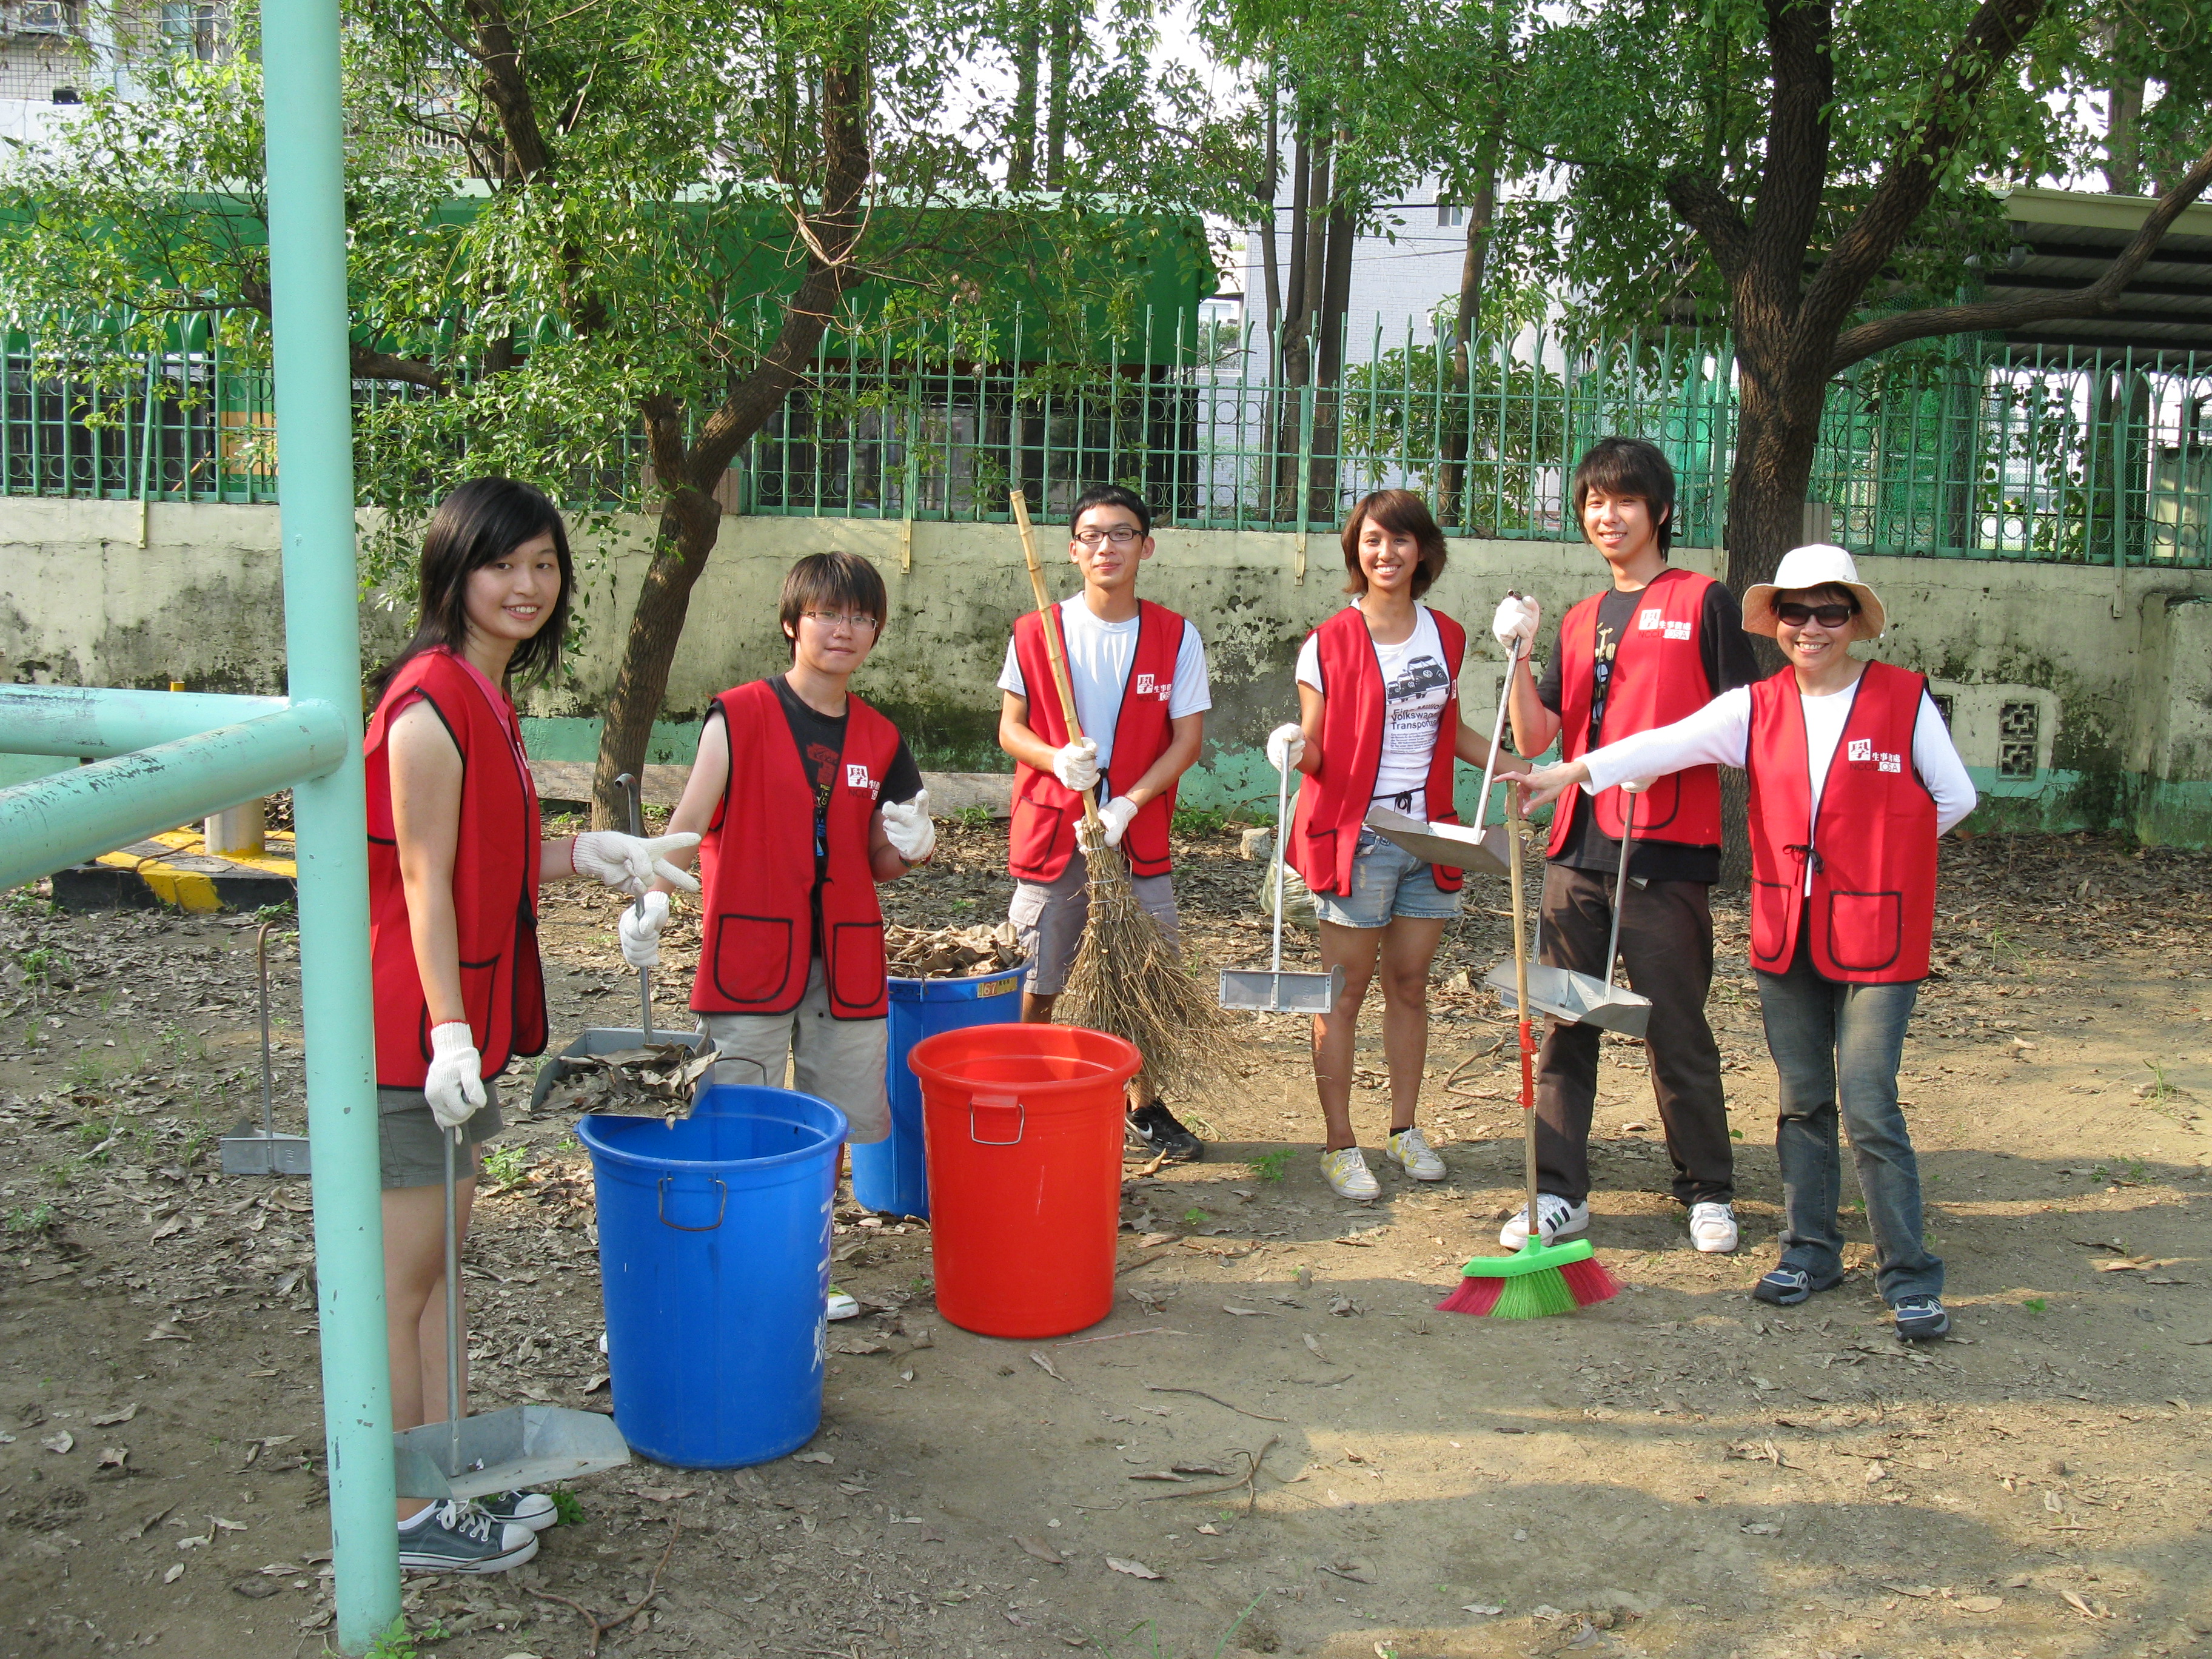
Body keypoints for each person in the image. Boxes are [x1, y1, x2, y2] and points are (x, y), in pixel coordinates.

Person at [366, 478, 702, 1572]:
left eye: (543, 564)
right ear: (453, 572)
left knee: (444, 1266)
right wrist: (449, 1035)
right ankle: (405, 1519)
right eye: (501, 563)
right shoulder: (426, 702)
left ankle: (444, 1471)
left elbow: (487, 861)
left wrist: (588, 855)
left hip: (443, 1034)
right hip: (409, 1038)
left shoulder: (487, 696)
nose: (525, 584)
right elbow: (423, 883)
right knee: (401, 1281)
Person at [1520, 545, 1974, 1341]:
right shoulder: (1758, 705)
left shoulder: (1902, 700)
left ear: (1854, 621)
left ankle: (1907, 1271)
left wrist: (1879, 861)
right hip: (1787, 931)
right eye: (1795, 612)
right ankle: (1810, 1249)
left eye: (1830, 611)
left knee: (1868, 1101)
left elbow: (1953, 797)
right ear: (1777, 624)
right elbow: (1664, 745)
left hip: (1877, 935)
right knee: (1802, 1102)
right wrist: (1571, 774)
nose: (1811, 626)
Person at [626, 551, 935, 1314]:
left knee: (828, 1124)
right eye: (830, 614)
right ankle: (731, 1271)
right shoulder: (740, 715)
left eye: (863, 617)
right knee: (739, 1111)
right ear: (793, 623)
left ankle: (803, 1270)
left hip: (846, 961)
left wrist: (913, 845)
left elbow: (879, 861)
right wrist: (653, 901)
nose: (846, 630)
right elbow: (688, 826)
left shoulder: (881, 737)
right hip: (753, 954)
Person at [1496, 437, 1761, 1255]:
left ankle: (1707, 1189)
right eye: (1594, 503)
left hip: (1666, 848)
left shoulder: (1703, 600)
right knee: (1563, 1021)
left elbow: (1747, 723)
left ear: (1660, 510)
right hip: (1578, 851)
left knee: (1673, 1023)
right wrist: (1518, 656)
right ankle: (1560, 1194)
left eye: (1624, 501)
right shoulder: (1579, 620)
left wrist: (1659, 759)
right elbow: (1539, 735)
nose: (1606, 516)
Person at [1272, 488, 1520, 1201]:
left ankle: (1405, 1129)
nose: (1387, 553)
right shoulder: (1329, 641)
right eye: (1374, 540)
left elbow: (1454, 731)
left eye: (1401, 541)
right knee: (1343, 993)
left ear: (1423, 552)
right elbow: (1315, 745)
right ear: (1357, 549)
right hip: (1358, 837)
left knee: (1410, 985)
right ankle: (1339, 1143)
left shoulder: (1445, 634)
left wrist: (1516, 769)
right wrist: (1293, 748)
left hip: (1430, 835)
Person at [997, 483, 1212, 1161]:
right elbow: (1010, 729)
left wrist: (1127, 803)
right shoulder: (1037, 631)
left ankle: (1143, 1106)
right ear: (1072, 550)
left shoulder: (1176, 635)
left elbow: (1187, 741)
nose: (1106, 546)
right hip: (1055, 831)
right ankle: (1024, 1094)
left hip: (1135, 834)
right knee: (1039, 971)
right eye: (1092, 535)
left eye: (1121, 534)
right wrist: (1056, 758)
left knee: (1145, 973)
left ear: (1146, 547)